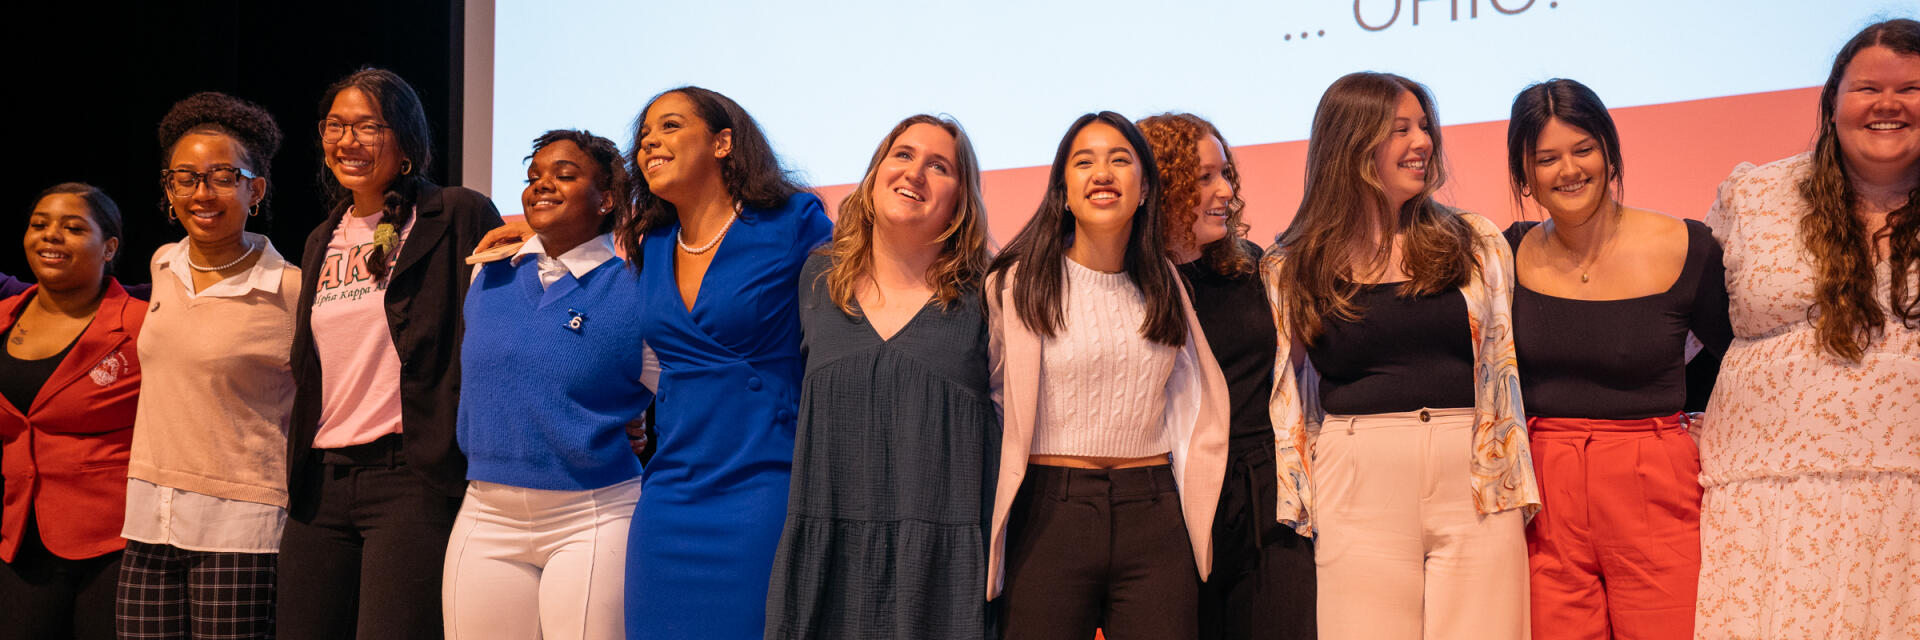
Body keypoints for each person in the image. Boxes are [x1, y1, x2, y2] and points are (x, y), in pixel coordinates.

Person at [1260, 72, 1538, 640]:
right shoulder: (1292, 264)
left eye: (1424, 127)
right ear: (1352, 143)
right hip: (1357, 474)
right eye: (1400, 130)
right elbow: (1285, 395)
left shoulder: (1475, 241)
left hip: (1474, 474)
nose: (1423, 142)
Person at [1697, 18, 1919, 638]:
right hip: (1768, 508)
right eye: (1868, 87)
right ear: (1831, 100)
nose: (1889, 105)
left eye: (1913, 89)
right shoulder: (1756, 194)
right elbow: (1674, 326)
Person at [1500, 78, 1733, 640]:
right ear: (1525, 176)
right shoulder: (1506, 251)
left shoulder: (1687, 245)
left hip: (1656, 487)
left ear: (1610, 151)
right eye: (1546, 158)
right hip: (1542, 497)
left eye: (1583, 149)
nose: (1569, 170)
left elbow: (1743, 360)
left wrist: (1715, 437)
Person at [985, 111, 1231, 639]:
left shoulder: (1166, 282)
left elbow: (1192, 402)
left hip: (1154, 512)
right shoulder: (1015, 284)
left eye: (1121, 160)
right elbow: (994, 399)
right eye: (1084, 162)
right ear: (1063, 190)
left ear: (1144, 189)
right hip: (1049, 513)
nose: (1103, 173)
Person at [278, 68, 504, 640]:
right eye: (336, 126)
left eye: (368, 127)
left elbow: (501, 324)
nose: (347, 141)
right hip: (322, 480)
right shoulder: (320, 237)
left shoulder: (456, 213)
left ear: (405, 138)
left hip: (411, 477)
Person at [765, 114, 999, 639]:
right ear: (874, 177)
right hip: (828, 564)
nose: (915, 173)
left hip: (945, 576)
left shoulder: (990, 293)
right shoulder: (816, 280)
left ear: (962, 201)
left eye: (939, 166)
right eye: (903, 155)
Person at [619, 86, 833, 639]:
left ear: (723, 142)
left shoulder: (791, 221)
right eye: (644, 136)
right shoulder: (655, 242)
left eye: (669, 126)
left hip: (762, 489)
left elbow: (861, 291)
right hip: (669, 493)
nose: (650, 143)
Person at [442, 129, 649, 640]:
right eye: (533, 177)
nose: (541, 186)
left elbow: (679, 392)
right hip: (485, 512)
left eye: (564, 175)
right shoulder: (486, 275)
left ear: (608, 199)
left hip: (594, 515)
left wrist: (636, 416)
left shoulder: (636, 288)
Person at [116, 91, 298, 639]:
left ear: (255, 189)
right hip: (150, 516)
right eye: (186, 178)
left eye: (223, 175)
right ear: (169, 190)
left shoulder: (290, 288)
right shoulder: (163, 264)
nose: (203, 192)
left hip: (240, 524)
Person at [1137, 112, 1316, 640]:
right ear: (1162, 186)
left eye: (1226, 174)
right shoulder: (1134, 287)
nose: (1226, 190)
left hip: (1268, 493)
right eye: (1204, 178)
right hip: (1177, 498)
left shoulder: (1254, 267)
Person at [0, 183, 142, 640]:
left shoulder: (141, 324)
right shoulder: (2, 317)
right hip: (19, 540)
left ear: (109, 248)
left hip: (114, 545)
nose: (50, 236)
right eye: (39, 225)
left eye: (73, 227)